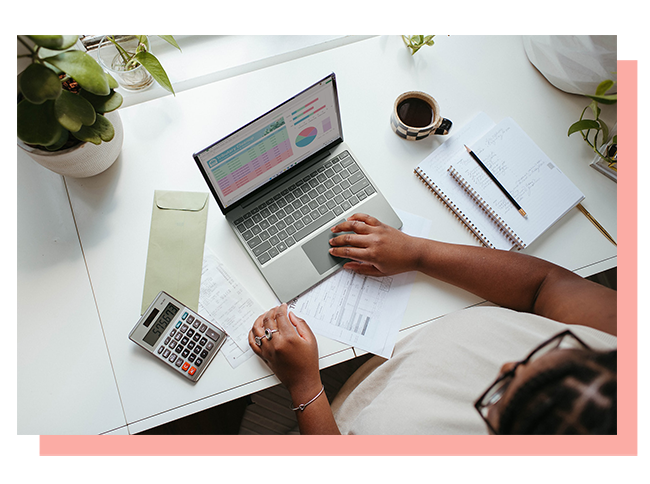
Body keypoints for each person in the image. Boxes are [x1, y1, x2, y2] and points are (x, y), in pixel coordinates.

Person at [248, 213, 617, 435]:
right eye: (557, 348)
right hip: (393, 357)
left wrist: (304, 386)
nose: (505, 366)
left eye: (503, 394)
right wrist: (418, 253)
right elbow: (546, 286)